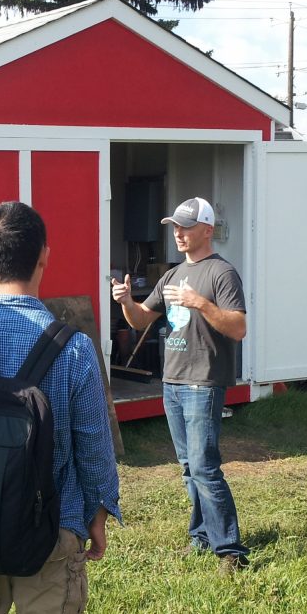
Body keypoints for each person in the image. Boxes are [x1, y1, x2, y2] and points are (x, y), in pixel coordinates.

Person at [0, 201, 121, 614]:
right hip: (51, 528)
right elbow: (93, 445)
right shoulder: (74, 349)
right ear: (45, 255)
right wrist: (97, 514)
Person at [110, 196, 250, 567]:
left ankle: (230, 550)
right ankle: (201, 537)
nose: (179, 233)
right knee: (189, 467)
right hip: (172, 382)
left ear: (207, 230)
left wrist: (199, 303)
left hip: (203, 381)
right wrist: (125, 301)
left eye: (186, 227)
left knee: (205, 467)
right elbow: (141, 320)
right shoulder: (171, 275)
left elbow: (238, 328)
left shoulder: (222, 273)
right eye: (175, 227)